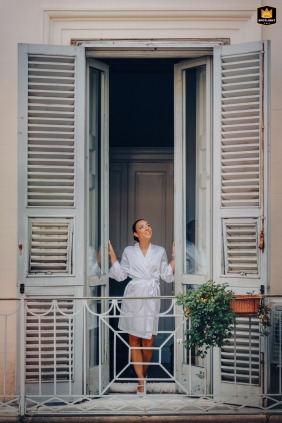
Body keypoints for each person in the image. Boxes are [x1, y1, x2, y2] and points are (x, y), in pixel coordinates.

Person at [108, 219, 175, 395]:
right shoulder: (129, 251)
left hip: (152, 296)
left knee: (149, 341)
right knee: (134, 340)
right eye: (142, 226)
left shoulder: (159, 251)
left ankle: (142, 374)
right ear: (136, 234)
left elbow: (167, 276)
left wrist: (174, 258)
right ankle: (141, 382)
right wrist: (113, 258)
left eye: (148, 225)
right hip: (134, 295)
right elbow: (122, 275)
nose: (147, 228)